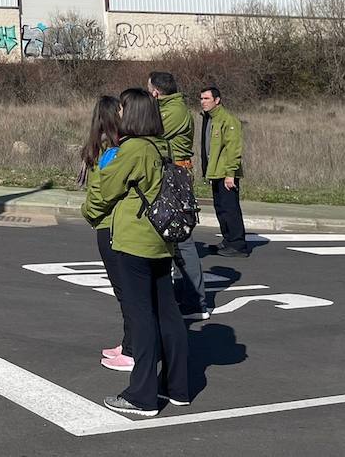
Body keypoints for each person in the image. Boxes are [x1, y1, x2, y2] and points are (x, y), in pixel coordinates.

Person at [83, 88, 191, 417]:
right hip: (161, 239)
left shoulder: (132, 149)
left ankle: (142, 395)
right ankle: (178, 387)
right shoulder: (162, 146)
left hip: (134, 240)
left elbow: (104, 192)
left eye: (125, 109)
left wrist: (89, 211)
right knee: (168, 313)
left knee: (141, 316)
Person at [148, 71, 208, 320]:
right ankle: (184, 296)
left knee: (181, 237)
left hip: (175, 176)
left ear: (156, 91)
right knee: (171, 235)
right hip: (172, 173)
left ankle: (195, 300)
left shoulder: (173, 112)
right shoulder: (170, 108)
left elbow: (151, 133)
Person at [81, 95, 131, 371]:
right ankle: (129, 341)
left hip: (109, 225)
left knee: (126, 291)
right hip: (111, 224)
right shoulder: (113, 148)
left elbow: (102, 194)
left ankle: (133, 346)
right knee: (124, 291)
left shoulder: (112, 151)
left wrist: (87, 212)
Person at [200, 85, 249, 258]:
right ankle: (228, 240)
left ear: (217, 100)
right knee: (220, 208)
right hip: (215, 172)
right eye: (202, 98)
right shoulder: (210, 118)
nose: (203, 102)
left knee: (230, 208)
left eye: (206, 99)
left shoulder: (227, 120)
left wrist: (231, 174)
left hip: (225, 173)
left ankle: (238, 244)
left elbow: (233, 148)